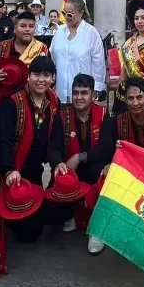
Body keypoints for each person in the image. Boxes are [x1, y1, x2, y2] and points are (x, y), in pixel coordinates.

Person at [0, 55, 59, 276]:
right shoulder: (12, 103)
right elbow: (2, 142)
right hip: (9, 171)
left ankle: (17, 219)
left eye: (46, 75)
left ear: (53, 79)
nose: (41, 80)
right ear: (28, 76)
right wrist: (8, 169)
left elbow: (55, 140)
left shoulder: (53, 103)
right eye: (36, 74)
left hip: (33, 175)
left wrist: (57, 164)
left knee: (31, 234)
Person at [49, 74, 115, 254]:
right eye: (75, 93)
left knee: (97, 171)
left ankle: (97, 229)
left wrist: (80, 157)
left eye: (84, 93)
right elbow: (53, 147)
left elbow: (107, 148)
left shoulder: (103, 115)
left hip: (94, 170)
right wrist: (57, 165)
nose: (79, 97)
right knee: (51, 215)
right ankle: (74, 216)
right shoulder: (62, 116)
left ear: (93, 95)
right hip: (71, 173)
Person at [49, 0, 105, 103]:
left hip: (83, 94)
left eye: (70, 14)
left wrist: (96, 89)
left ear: (80, 13)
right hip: (60, 92)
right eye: (64, 13)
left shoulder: (91, 33)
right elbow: (53, 57)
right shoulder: (59, 32)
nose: (66, 17)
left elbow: (98, 64)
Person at [112, 77, 144, 150]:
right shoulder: (118, 121)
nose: (135, 103)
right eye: (131, 98)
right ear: (125, 100)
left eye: (139, 97)